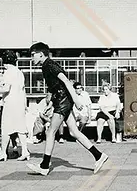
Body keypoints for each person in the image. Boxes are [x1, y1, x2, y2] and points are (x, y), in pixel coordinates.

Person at [27, 42, 108, 176]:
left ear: (41, 54)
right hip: (62, 100)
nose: (32, 58)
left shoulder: (49, 65)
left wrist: (76, 100)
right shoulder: (47, 65)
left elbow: (65, 81)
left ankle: (45, 165)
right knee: (74, 132)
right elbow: (57, 86)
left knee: (51, 132)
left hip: (63, 101)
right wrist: (52, 103)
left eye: (33, 55)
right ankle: (99, 156)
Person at [0, 50, 30, 162]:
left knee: (6, 129)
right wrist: (24, 105)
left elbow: (6, 88)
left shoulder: (8, 72)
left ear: (4, 62)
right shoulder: (19, 72)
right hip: (19, 103)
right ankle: (25, 151)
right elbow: (23, 91)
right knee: (20, 128)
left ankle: (2, 153)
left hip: (11, 103)